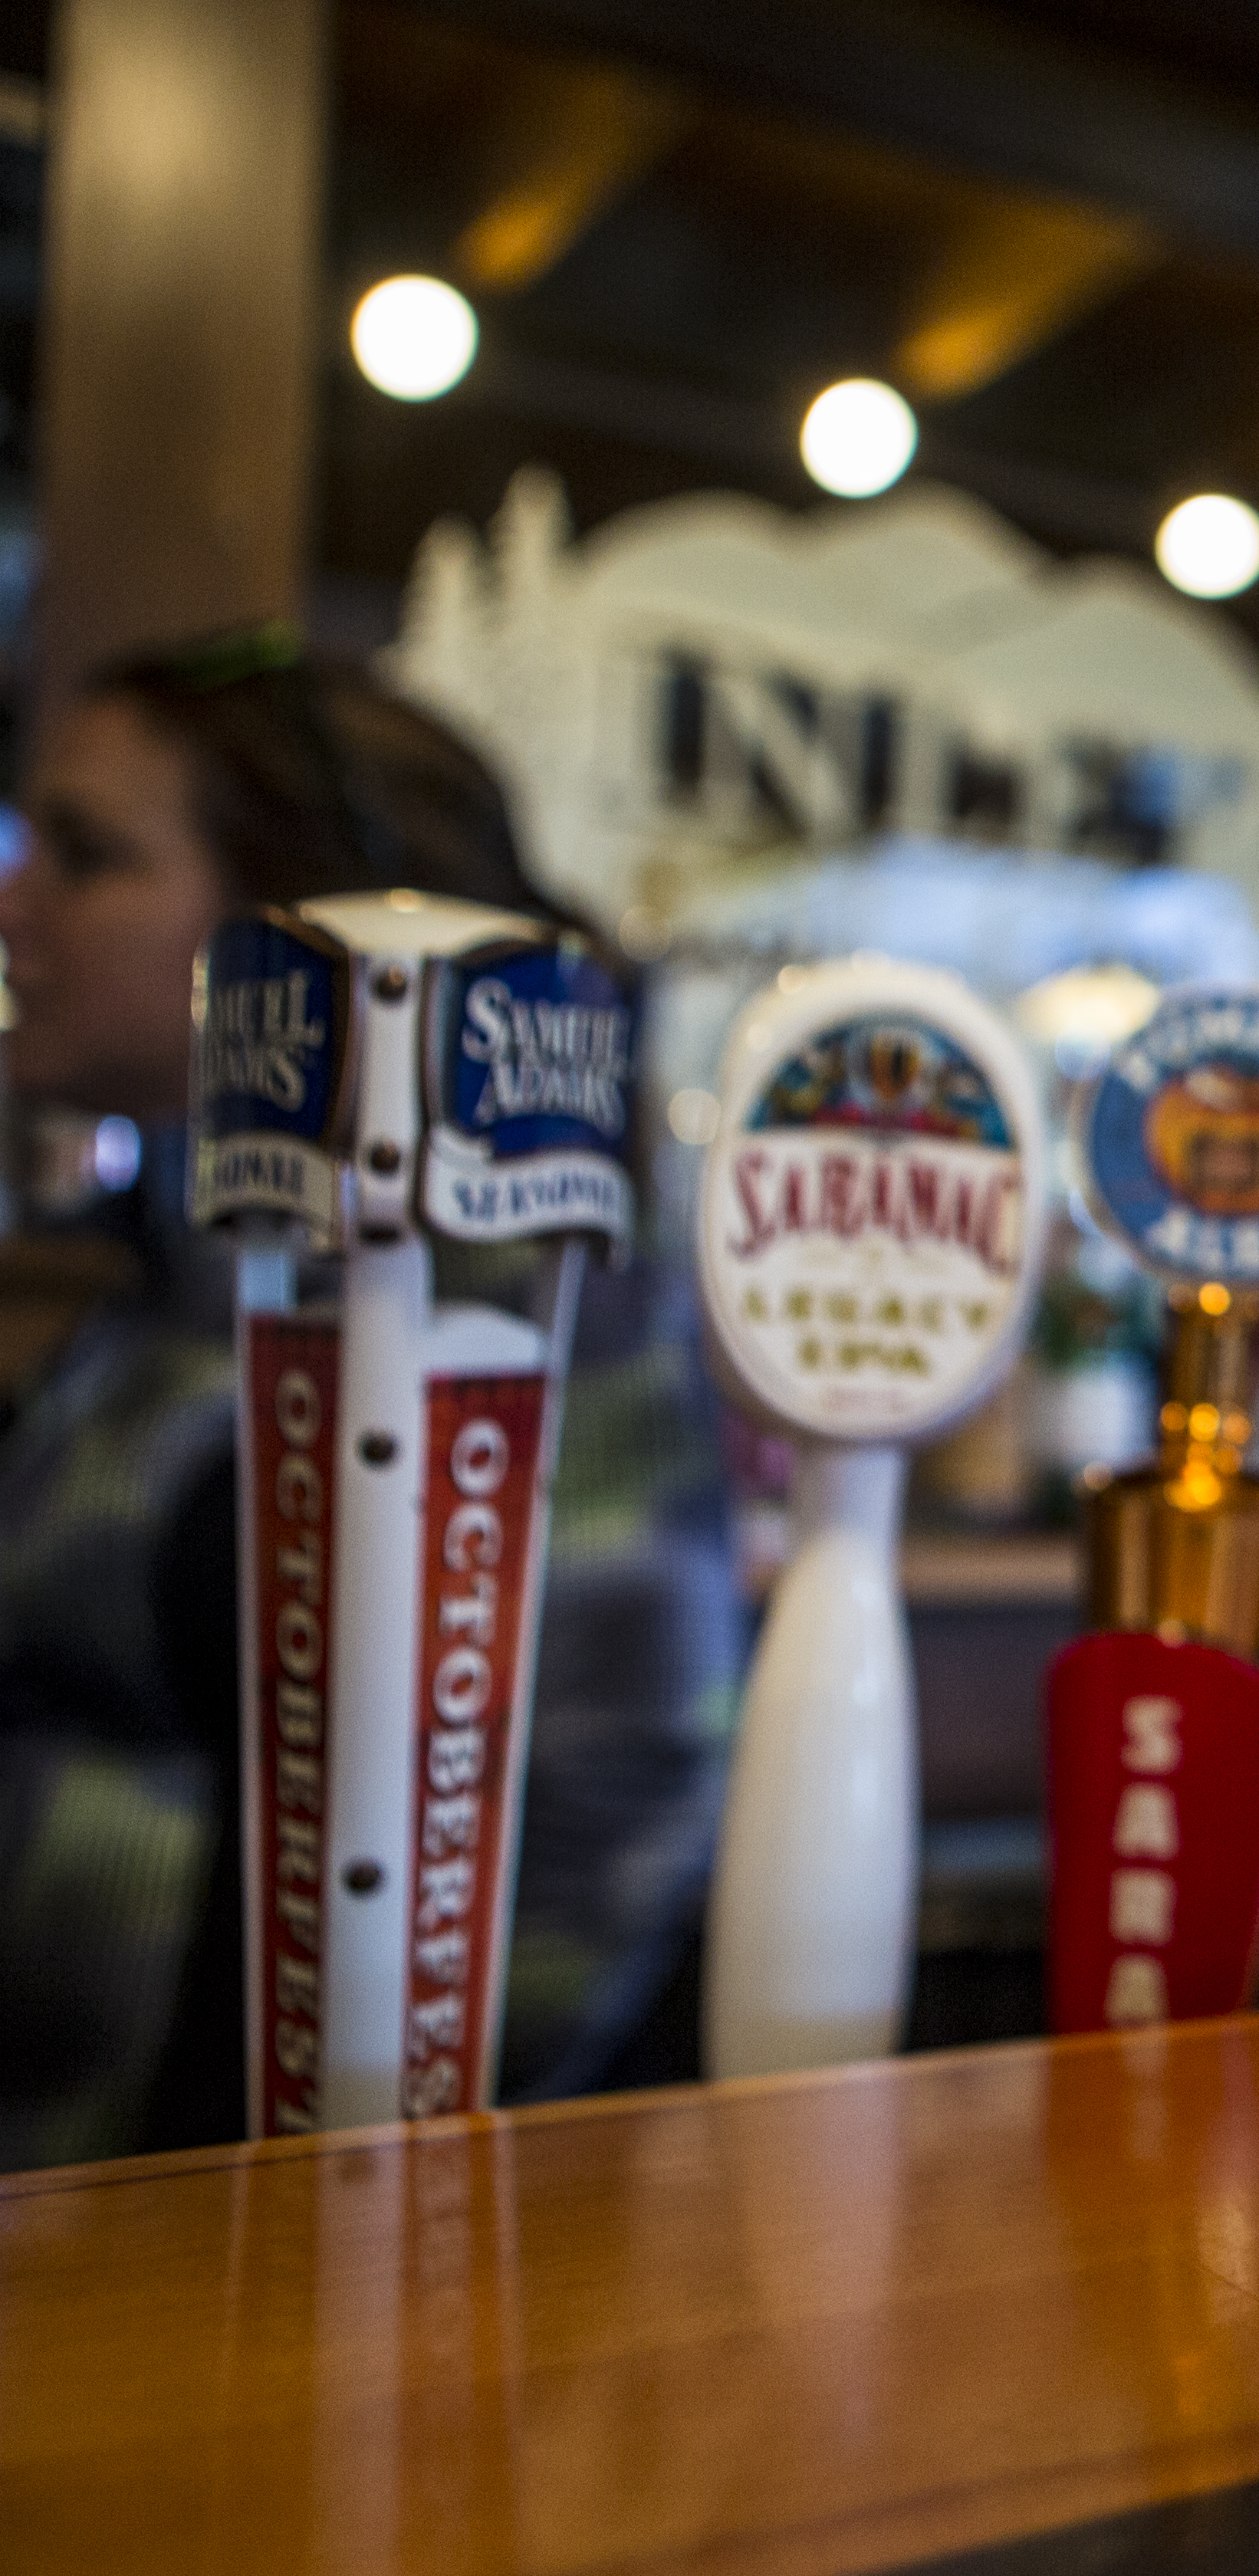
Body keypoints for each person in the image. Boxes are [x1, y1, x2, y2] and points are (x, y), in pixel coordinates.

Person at [0, 626, 738, 2163]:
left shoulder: (502, 1292)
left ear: (295, 917)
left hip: (187, 2248)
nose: (17, 903)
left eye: (85, 855)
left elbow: (585, 1850)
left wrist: (263, 2256)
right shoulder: (191, 1258)